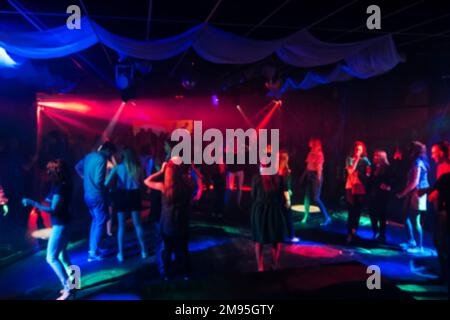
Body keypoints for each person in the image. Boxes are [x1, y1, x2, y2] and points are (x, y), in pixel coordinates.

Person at [22, 159, 74, 300]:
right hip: (65, 223)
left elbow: (53, 210)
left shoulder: (61, 187)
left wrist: (32, 203)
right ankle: (75, 284)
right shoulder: (60, 185)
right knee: (63, 255)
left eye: (49, 171)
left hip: (61, 225)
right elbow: (51, 202)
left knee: (51, 257)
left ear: (55, 172)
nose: (47, 173)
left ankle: (68, 288)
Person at [145, 158, 194, 280]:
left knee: (166, 250)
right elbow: (198, 184)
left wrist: (161, 171)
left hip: (167, 223)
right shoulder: (187, 185)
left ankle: (166, 274)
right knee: (183, 249)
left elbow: (147, 181)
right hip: (182, 222)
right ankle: (186, 273)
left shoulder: (164, 187)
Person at [75, 141, 116, 262]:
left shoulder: (89, 155)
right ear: (108, 150)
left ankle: (93, 248)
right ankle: (93, 253)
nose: (111, 156)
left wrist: (85, 178)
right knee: (100, 223)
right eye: (111, 153)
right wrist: (110, 178)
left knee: (95, 222)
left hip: (87, 194)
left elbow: (77, 167)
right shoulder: (102, 160)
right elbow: (99, 181)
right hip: (97, 195)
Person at [105, 147, 147, 262]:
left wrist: (113, 189)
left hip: (121, 195)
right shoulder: (138, 168)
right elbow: (143, 185)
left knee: (121, 226)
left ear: (122, 157)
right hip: (134, 194)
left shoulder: (117, 168)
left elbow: (106, 183)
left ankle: (121, 254)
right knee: (138, 224)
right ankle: (144, 251)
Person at [251, 163, 288, 272]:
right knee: (275, 239)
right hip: (275, 210)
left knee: (259, 240)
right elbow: (283, 195)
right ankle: (274, 264)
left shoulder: (256, 178)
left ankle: (260, 267)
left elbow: (253, 195)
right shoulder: (279, 179)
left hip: (260, 210)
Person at [397, 141, 430, 254]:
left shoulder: (418, 162)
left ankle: (419, 246)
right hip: (415, 193)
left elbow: (415, 182)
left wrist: (403, 193)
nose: (408, 151)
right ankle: (411, 241)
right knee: (406, 216)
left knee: (415, 220)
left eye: (410, 149)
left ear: (414, 151)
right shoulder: (418, 162)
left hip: (418, 193)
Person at [427, 141, 450, 283]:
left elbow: (442, 188)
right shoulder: (440, 166)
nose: (432, 155)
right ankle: (444, 273)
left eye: (434, 152)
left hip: (445, 209)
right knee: (439, 242)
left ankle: (445, 275)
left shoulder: (446, 167)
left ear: (442, 152)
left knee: (442, 242)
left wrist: (434, 195)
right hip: (440, 209)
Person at [345, 141, 371, 244]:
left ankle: (354, 232)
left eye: (360, 149)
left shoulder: (365, 160)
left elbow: (369, 172)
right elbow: (350, 171)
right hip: (350, 187)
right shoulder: (349, 159)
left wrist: (367, 176)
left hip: (360, 187)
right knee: (351, 210)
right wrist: (356, 160)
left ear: (363, 150)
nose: (358, 151)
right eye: (356, 149)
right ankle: (349, 234)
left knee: (357, 210)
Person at [302, 138, 331, 226]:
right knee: (306, 196)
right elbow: (308, 166)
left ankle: (327, 218)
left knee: (316, 198)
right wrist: (303, 176)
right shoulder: (310, 153)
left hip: (315, 176)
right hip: (309, 175)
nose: (309, 143)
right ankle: (306, 216)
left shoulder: (319, 154)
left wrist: (318, 180)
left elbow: (319, 169)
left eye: (311, 142)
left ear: (315, 144)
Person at [368, 150, 392, 242]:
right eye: (374, 156)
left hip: (382, 196)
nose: (374, 157)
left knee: (381, 215)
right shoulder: (373, 167)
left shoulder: (387, 168)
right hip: (373, 194)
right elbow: (370, 181)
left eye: (376, 156)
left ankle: (382, 235)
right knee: (372, 213)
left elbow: (392, 181)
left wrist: (388, 187)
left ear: (381, 157)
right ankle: (375, 231)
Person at [278, 150, 300, 242]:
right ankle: (291, 236)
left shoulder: (279, 169)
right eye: (285, 157)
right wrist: (288, 200)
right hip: (283, 196)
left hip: (277, 196)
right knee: (287, 216)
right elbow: (284, 187)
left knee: (280, 216)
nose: (287, 159)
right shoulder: (284, 170)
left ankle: (281, 235)